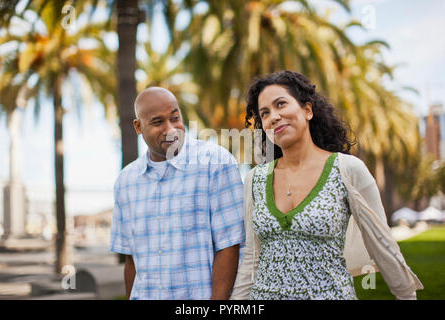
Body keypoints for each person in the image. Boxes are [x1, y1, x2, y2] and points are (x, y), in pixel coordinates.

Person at [230, 70, 423, 300]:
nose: (273, 116)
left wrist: (406, 296)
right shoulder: (255, 179)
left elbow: (383, 245)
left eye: (281, 104)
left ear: (308, 110)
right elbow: (252, 256)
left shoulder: (347, 170)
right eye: (265, 113)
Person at [110, 87, 245, 300]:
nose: (171, 129)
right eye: (157, 122)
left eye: (175, 118)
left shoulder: (216, 163)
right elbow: (131, 260)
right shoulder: (125, 181)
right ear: (138, 126)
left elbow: (230, 246)